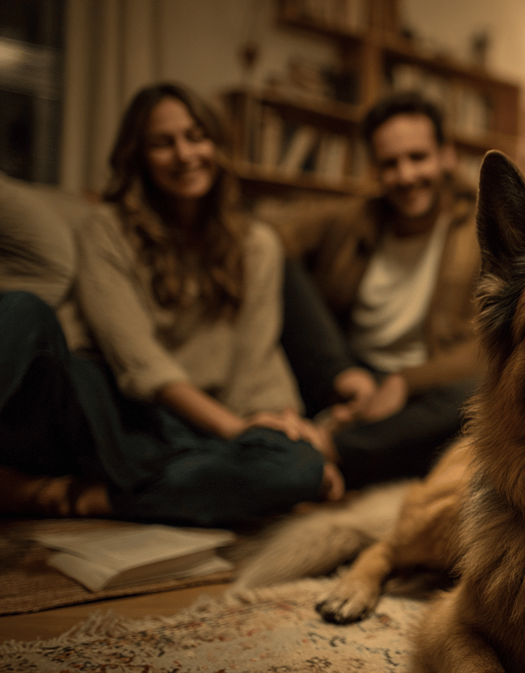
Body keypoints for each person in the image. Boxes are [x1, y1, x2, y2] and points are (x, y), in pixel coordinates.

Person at [0, 82, 341, 525]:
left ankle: (72, 497)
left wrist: (278, 427)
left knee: (300, 468)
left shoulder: (258, 243)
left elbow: (254, 361)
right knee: (23, 310)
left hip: (195, 434)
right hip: (115, 410)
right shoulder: (105, 229)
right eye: (163, 143)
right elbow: (139, 363)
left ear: (216, 145)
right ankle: (160, 489)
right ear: (138, 156)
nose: (184, 155)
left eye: (196, 136)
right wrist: (235, 430)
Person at [272, 91, 481, 490]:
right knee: (272, 257)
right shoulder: (353, 217)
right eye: (390, 164)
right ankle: (346, 443)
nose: (405, 176)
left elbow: (488, 345)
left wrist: (403, 383)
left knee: (482, 396)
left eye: (418, 158)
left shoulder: (479, 229)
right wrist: (347, 376)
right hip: (341, 374)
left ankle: (329, 448)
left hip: (421, 390)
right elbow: (266, 237)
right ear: (375, 168)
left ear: (446, 156)